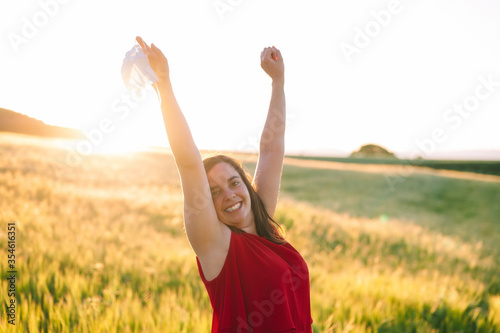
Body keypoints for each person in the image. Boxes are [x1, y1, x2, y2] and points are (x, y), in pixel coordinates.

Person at [136, 36, 312, 332]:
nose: (229, 195)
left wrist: (277, 82)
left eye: (233, 183)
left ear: (246, 185)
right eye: (214, 192)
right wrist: (164, 86)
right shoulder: (215, 245)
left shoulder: (261, 218)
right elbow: (188, 162)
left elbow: (271, 150)